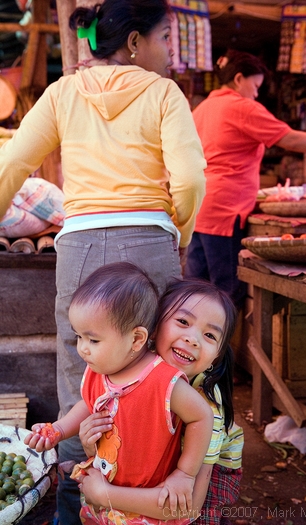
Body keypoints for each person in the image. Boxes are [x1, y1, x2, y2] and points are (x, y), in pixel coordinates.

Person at [0, 0, 206, 521]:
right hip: (149, 242)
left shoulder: (62, 92)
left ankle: (76, 510)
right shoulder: (163, 93)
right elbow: (189, 180)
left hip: (80, 245)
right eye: (165, 38)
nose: (170, 51)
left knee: (81, 378)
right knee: (159, 374)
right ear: (135, 42)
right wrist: (176, 231)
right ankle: (156, 502)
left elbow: (14, 161)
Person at [24, 262, 214, 525]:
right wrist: (58, 428)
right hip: (105, 500)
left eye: (93, 340)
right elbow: (88, 404)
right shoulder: (99, 369)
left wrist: (185, 473)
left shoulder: (164, 382)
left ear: (137, 339)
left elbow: (202, 416)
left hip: (146, 504)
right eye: (79, 337)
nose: (83, 349)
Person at [184, 49, 306, 309]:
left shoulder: (203, 107)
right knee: (225, 296)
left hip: (199, 209)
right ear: (239, 79)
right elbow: (291, 139)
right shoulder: (241, 106)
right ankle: (221, 351)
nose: (257, 93)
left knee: (195, 293)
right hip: (225, 213)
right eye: (256, 85)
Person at [75, 277, 244, 525]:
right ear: (153, 328)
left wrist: (106, 495)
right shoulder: (139, 368)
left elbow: (189, 508)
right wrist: (92, 444)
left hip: (203, 473)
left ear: (217, 355)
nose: (193, 339)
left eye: (209, 335)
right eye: (183, 322)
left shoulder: (207, 410)